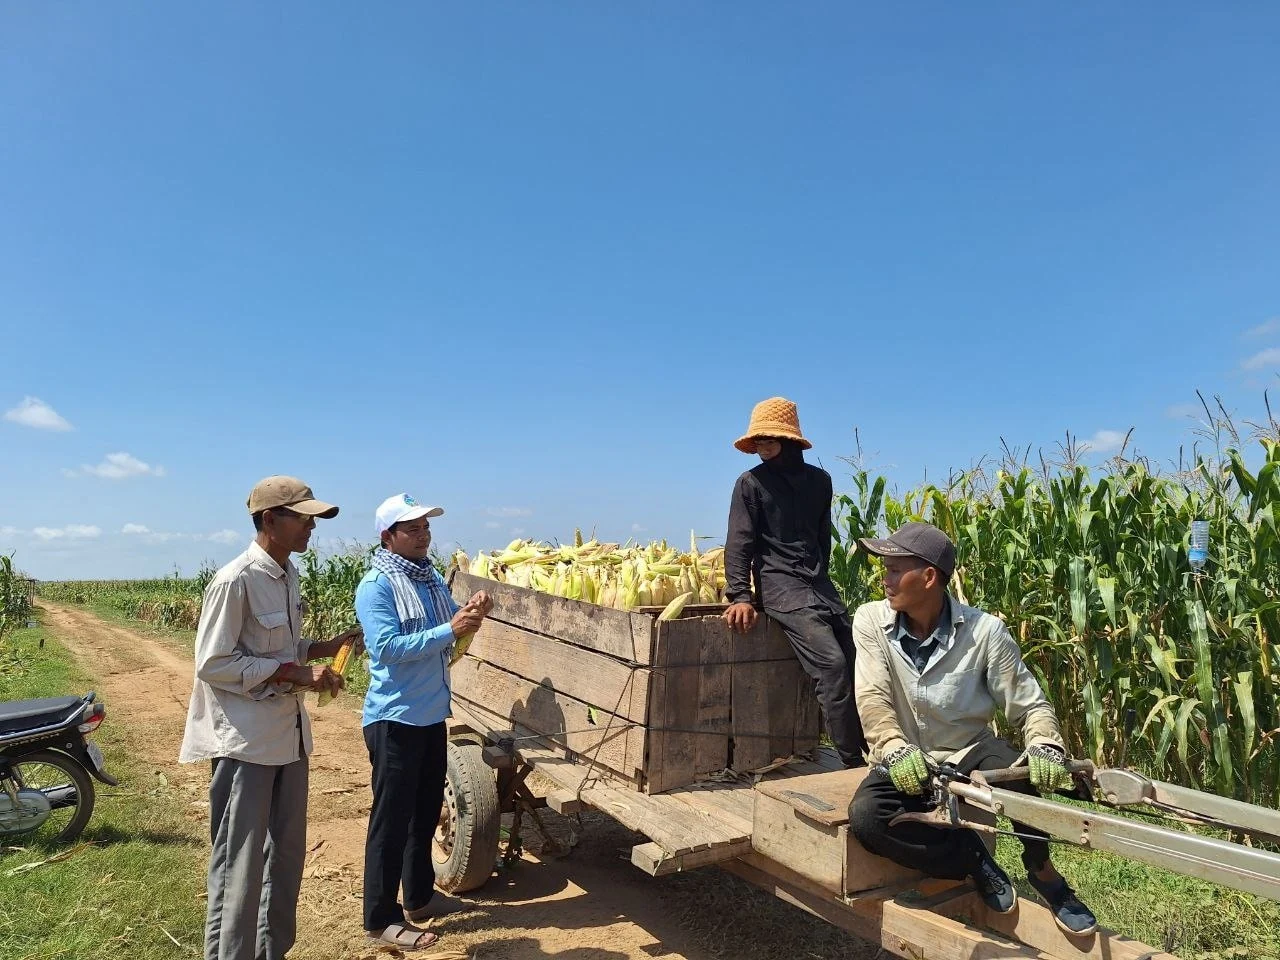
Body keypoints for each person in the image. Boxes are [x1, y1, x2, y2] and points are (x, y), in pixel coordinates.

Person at [847, 521, 1096, 935]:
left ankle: (1043, 870)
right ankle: (971, 858)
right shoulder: (871, 621)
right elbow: (872, 697)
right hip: (904, 754)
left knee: (1021, 778)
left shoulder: (986, 632)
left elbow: (1031, 704)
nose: (884, 579)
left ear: (929, 577)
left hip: (969, 750)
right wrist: (892, 745)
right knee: (867, 819)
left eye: (894, 569)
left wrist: (1044, 743)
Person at [179, 475, 353, 960]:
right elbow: (212, 663)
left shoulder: (288, 574)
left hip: (289, 741)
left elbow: (283, 648)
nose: (310, 527)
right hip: (247, 744)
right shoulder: (236, 580)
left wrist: (324, 649)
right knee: (241, 865)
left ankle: (271, 951)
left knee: (287, 859)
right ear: (270, 520)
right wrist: (294, 672)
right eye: (302, 517)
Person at [355, 493, 493, 952]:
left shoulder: (430, 579)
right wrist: (449, 630)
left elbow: (448, 628)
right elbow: (387, 647)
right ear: (387, 536)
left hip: (431, 715)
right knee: (390, 821)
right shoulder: (376, 585)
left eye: (425, 527)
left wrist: (469, 613)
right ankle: (379, 919)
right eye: (411, 528)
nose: (422, 535)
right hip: (394, 718)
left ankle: (419, 898)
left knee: (423, 813)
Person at [721, 396, 867, 768]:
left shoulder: (820, 482)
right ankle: (853, 761)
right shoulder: (750, 483)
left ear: (789, 441)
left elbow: (823, 540)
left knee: (859, 660)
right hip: (780, 588)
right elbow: (740, 541)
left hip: (819, 586)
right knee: (832, 666)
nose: (763, 448)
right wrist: (740, 595)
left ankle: (876, 749)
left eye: (770, 440)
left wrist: (821, 578)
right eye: (759, 442)